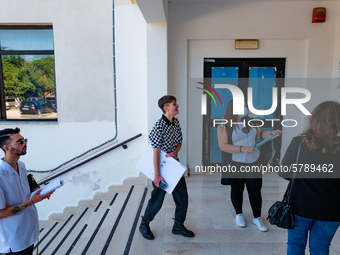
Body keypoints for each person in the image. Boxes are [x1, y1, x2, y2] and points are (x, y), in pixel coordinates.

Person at [280, 101, 340, 255]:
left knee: (295, 244)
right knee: (320, 248)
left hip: (300, 206)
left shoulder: (299, 143)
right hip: (333, 209)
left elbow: (283, 172)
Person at [217, 100, 281, 232]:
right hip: (236, 162)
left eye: (246, 106)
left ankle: (257, 218)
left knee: (255, 190)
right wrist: (242, 148)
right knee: (237, 189)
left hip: (254, 161)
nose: (245, 109)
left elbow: (260, 135)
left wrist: (271, 133)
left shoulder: (252, 122)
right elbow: (223, 146)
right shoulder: (224, 125)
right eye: (242, 106)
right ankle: (239, 215)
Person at [139, 95, 194, 240]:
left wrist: (175, 151)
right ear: (166, 107)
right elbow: (155, 152)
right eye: (174, 104)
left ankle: (178, 226)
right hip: (161, 170)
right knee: (157, 201)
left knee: (183, 199)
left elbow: (180, 141)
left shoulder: (176, 122)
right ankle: (144, 223)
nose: (177, 106)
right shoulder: (158, 126)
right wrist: (157, 176)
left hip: (174, 168)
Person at [0, 128, 53, 255]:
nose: (25, 143)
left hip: (29, 231)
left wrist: (38, 193)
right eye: (20, 142)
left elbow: (23, 193)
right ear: (7, 148)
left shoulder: (21, 166)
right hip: (14, 239)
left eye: (24, 140)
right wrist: (30, 202)